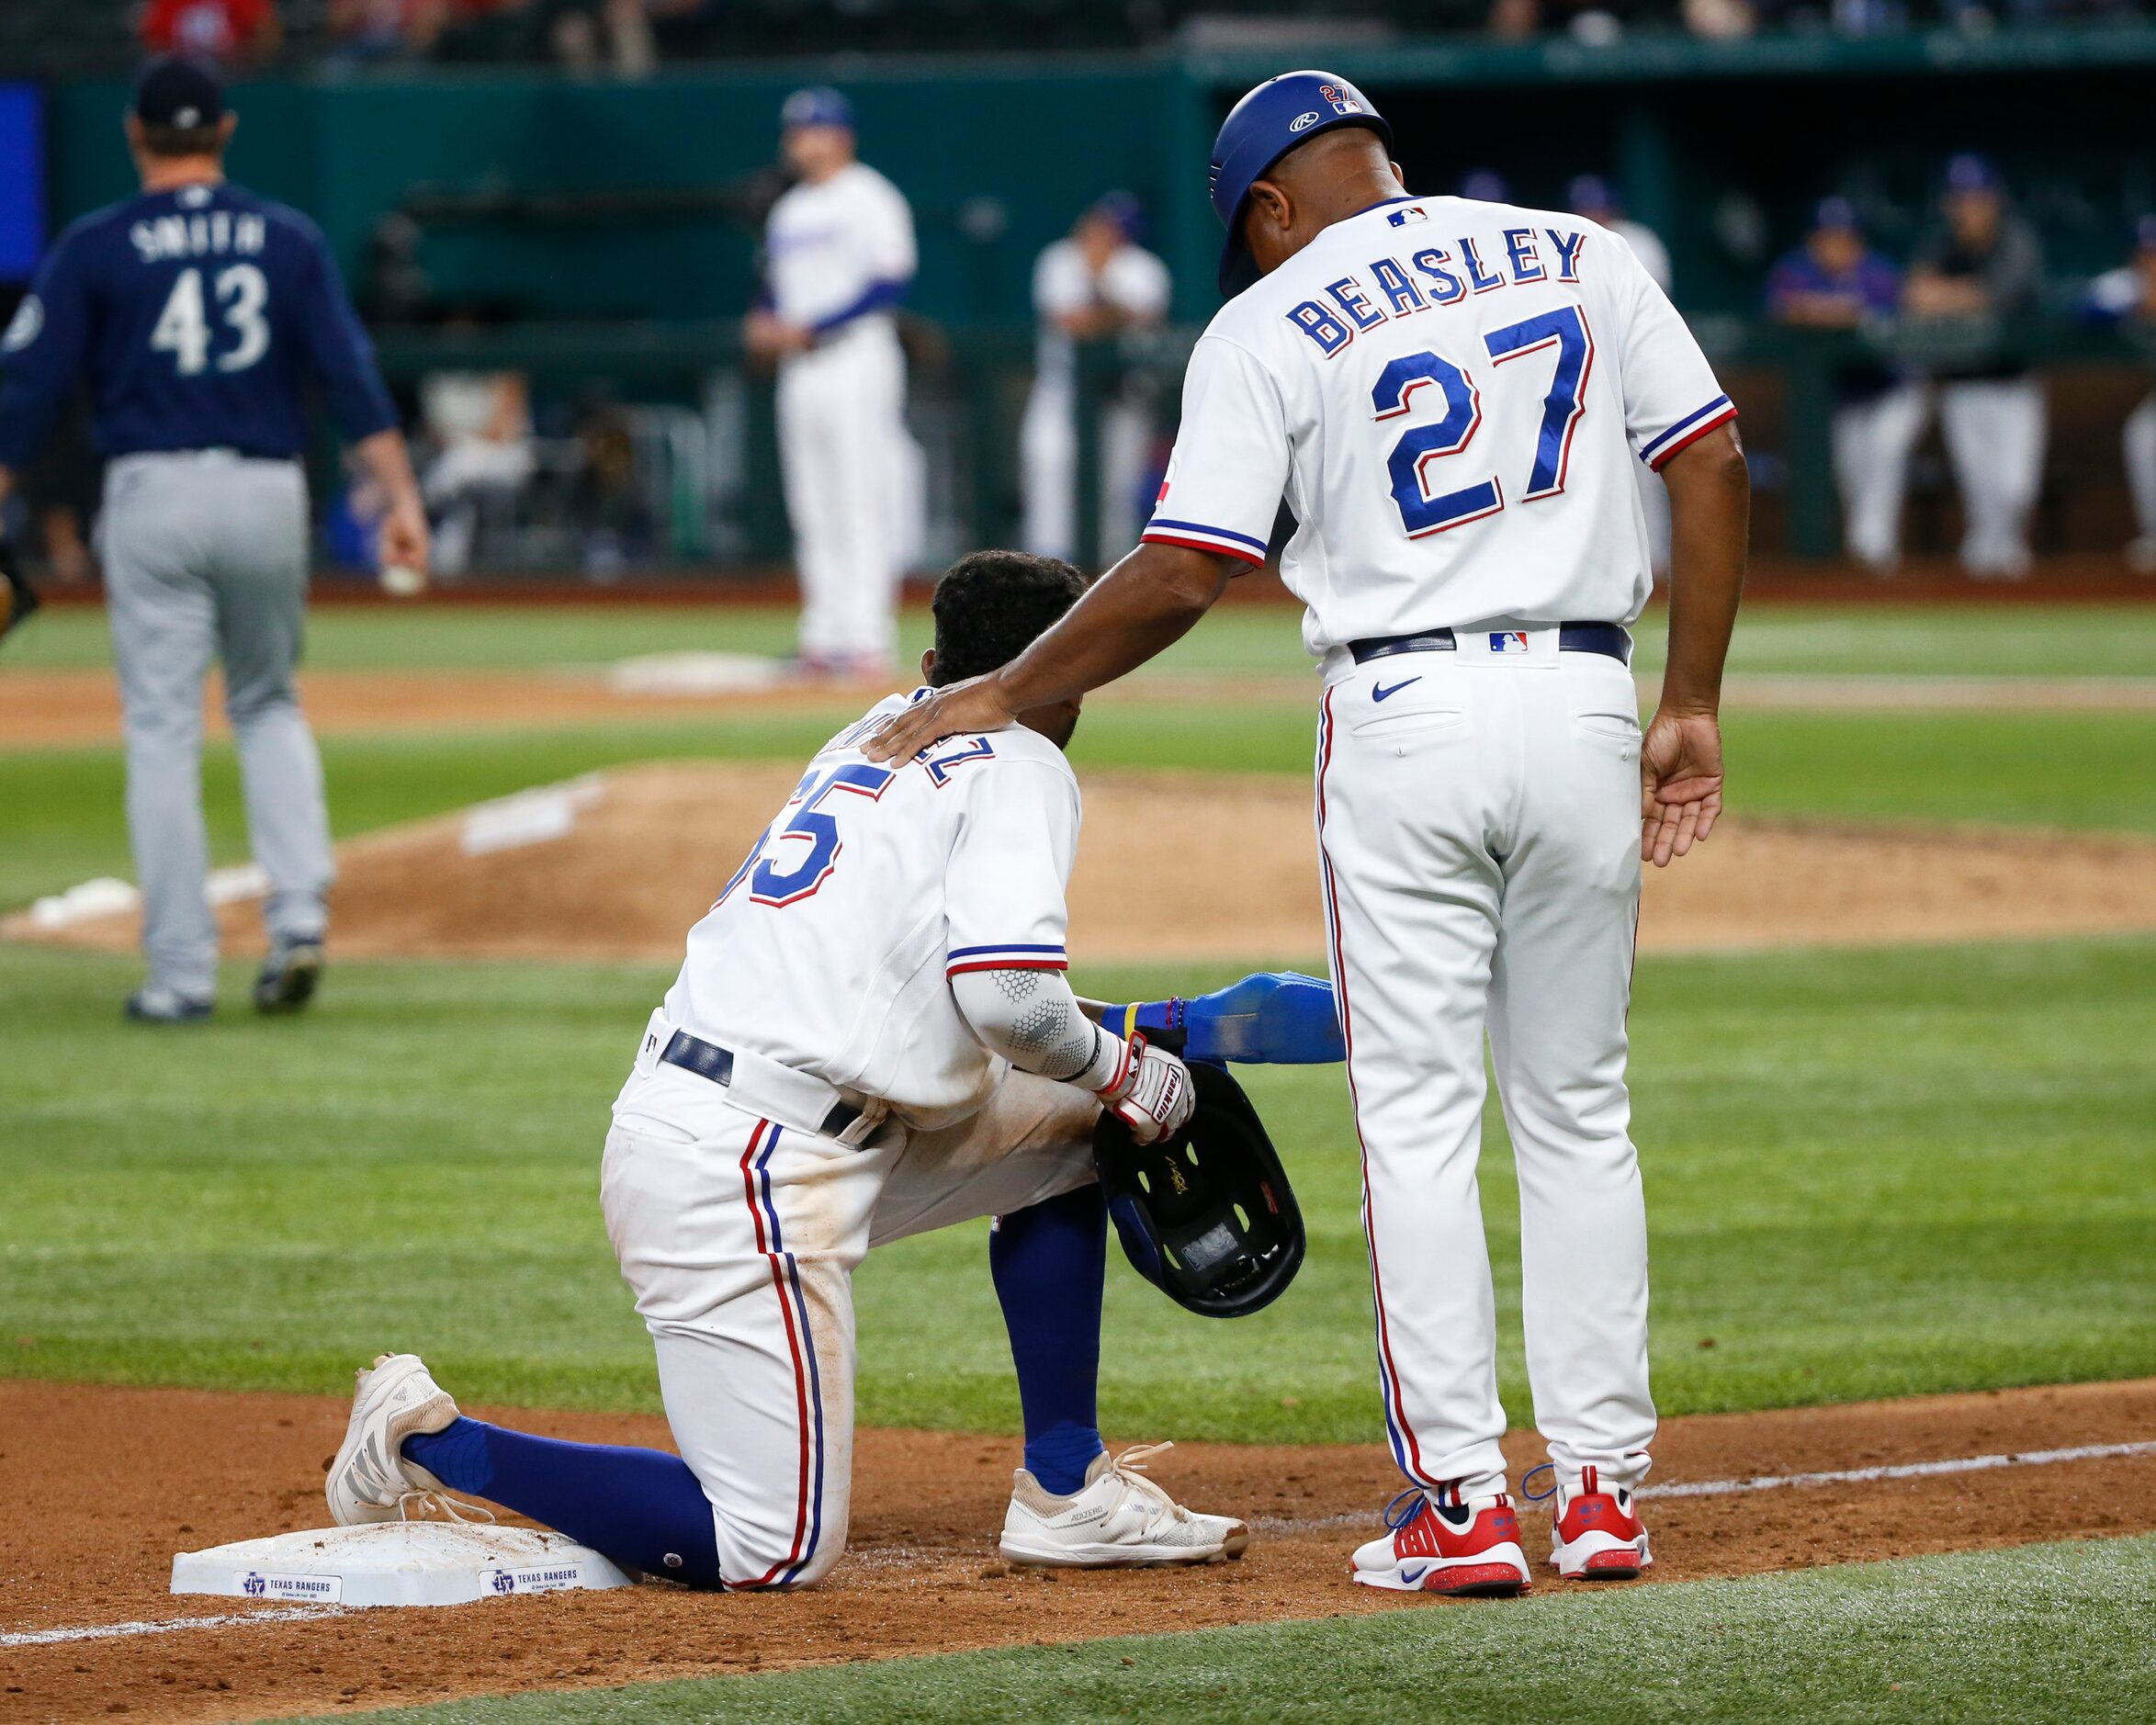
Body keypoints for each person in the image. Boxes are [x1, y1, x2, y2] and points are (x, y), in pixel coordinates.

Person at [869, 70, 1750, 1598]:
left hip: (1405, 710)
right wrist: (1693, 700)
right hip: (1591, 695)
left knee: (1415, 1113)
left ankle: (1461, 1507)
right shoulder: (1577, 247)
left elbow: (1183, 566)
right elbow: (1711, 458)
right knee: (1578, 1105)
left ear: (1268, 206)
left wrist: (1003, 691)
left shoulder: (1270, 318)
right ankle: (1603, 1494)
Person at [324, 552, 1252, 1588]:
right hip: (745, 1165)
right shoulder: (1025, 758)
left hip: (736, 1120)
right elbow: (1005, 999)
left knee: (1077, 1129)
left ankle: (1067, 1488)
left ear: (933, 661)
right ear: (1074, 677)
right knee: (770, 1550)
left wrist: (1115, 1068)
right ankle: (420, 1437)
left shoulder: (882, 727)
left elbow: (945, 994)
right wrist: (1126, 1071)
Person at [0, 57, 429, 1021]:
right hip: (266, 488)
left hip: (152, 490)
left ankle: (181, 975)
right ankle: (298, 919)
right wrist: (399, 496)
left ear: (135, 134)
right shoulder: (285, 237)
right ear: (225, 132)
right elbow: (350, 377)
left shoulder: (98, 243)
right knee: (269, 702)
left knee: (160, 730)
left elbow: (25, 395)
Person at [747, 87, 917, 678]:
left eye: (809, 129)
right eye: (794, 130)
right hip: (802, 368)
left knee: (859, 495)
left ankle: (867, 638)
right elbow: (776, 286)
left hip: (855, 356)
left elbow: (890, 282)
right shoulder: (789, 209)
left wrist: (813, 324)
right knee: (812, 503)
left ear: (840, 136)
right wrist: (764, 319)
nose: (797, 140)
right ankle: (824, 634)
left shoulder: (869, 196)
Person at [1902, 153, 2047, 578]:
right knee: (1979, 487)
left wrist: (1948, 297)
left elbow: (1993, 296)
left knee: (2016, 487)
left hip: (2014, 383)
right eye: (1960, 199)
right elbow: (1913, 295)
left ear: (1994, 201)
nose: (1968, 208)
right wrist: (1958, 296)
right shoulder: (1941, 244)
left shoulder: (2017, 241)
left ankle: (2003, 552)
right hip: (1962, 382)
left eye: (1977, 198)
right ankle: (1990, 565)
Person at [1767, 197, 1919, 570]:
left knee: (1884, 455)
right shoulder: (1795, 269)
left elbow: (1874, 308)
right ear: (1812, 241)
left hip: (1893, 391)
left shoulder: (1878, 271)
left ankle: (1875, 552)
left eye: (1844, 238)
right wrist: (1834, 310)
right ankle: (1866, 555)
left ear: (1858, 241)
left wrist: (1820, 309)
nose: (1835, 246)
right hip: (1842, 398)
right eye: (1826, 238)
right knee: (1851, 476)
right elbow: (1780, 306)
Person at [1021, 193, 1172, 564]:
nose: (1103, 232)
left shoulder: (1144, 268)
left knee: (1117, 487)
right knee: (1047, 468)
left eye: (1114, 227)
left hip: (1122, 392)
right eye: (1101, 222)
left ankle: (1109, 572)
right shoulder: (1059, 259)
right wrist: (1111, 310)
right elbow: (1071, 322)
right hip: (1063, 387)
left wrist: (1099, 281)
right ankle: (1045, 566)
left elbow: (1140, 318)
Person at [1569, 175, 1676, 576]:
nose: (1593, 215)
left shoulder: (1638, 242)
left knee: (1647, 473)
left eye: (1599, 207)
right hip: (1589, 381)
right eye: (1585, 208)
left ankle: (1658, 565)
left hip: (1636, 373)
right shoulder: (1565, 242)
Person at [2086, 216, 2156, 573]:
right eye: (2145, 253)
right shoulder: (2129, 286)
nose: (2150, 261)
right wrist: (2135, 305)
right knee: (2144, 436)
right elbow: (2084, 308)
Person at [140, 0, 283, 66]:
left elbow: (266, 33)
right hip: (183, 79)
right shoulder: (169, 3)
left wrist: (244, 61)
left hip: (236, 78)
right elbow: (153, 40)